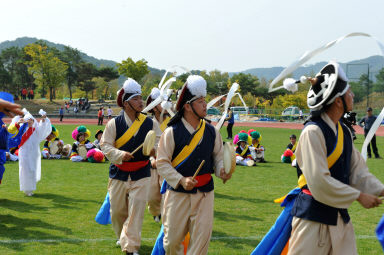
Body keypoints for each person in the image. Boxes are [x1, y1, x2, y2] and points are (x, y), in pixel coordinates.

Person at [288, 61, 384, 254]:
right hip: (312, 222)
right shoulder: (312, 132)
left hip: (339, 219)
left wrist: (382, 190)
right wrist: (358, 196)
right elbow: (319, 182)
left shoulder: (345, 132)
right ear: (338, 100)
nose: (353, 95)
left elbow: (358, 174)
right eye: (349, 91)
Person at [156, 75, 231, 255]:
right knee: (172, 242)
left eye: (205, 101)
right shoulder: (171, 132)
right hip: (177, 195)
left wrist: (222, 170)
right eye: (200, 102)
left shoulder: (212, 131)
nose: (206, 105)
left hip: (205, 193)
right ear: (188, 106)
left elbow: (219, 156)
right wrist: (181, 180)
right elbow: (162, 163)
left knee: (200, 242)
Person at [100, 78, 160, 255]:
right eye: (136, 99)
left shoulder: (150, 123)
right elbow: (105, 145)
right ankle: (124, 237)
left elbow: (159, 143)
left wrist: (154, 151)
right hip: (118, 173)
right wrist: (120, 155)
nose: (141, 102)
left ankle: (131, 248)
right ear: (126, 103)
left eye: (141, 98)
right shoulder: (114, 124)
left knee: (136, 212)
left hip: (142, 173)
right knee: (117, 212)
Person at [145, 87, 170, 223]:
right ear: (154, 107)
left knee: (168, 195)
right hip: (153, 165)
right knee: (153, 196)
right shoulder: (148, 123)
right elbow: (146, 145)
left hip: (169, 165)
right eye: (162, 103)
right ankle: (156, 212)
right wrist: (151, 158)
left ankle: (168, 219)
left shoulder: (172, 122)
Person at [18, 109, 52, 196]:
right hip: (24, 153)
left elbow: (43, 129)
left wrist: (44, 119)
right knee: (25, 170)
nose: (30, 121)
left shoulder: (35, 130)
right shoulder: (23, 130)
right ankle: (26, 189)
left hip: (33, 153)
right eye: (29, 120)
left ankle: (31, 189)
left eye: (32, 120)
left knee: (32, 170)